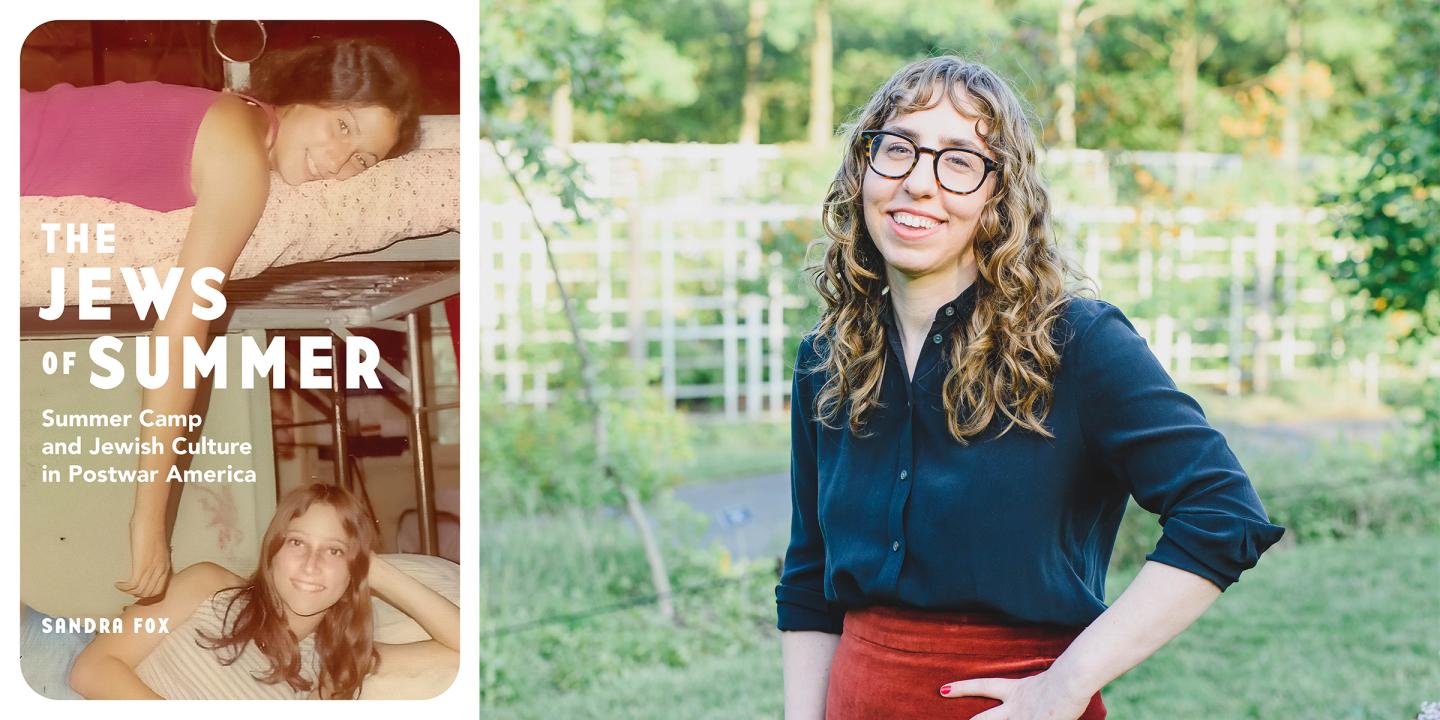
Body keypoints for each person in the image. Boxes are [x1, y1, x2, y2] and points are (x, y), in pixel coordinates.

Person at [776, 56, 1285, 719]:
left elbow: (1222, 514)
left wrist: (1064, 686)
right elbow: (810, 580)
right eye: (897, 149)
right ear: (862, 170)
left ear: (1001, 195)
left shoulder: (1077, 343)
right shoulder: (827, 358)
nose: (919, 184)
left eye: (959, 162)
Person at [20, 39, 420, 600]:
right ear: (308, 93)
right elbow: (181, 333)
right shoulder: (241, 157)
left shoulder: (239, 116)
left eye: (363, 161)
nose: (338, 162)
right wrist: (149, 525)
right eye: (343, 126)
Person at [66, 483, 459, 699]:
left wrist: (379, 572)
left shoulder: (337, 664)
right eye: (297, 543)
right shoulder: (209, 586)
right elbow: (91, 668)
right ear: (271, 553)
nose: (311, 564)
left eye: (334, 551)